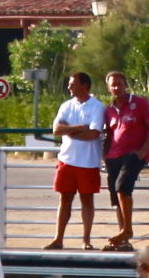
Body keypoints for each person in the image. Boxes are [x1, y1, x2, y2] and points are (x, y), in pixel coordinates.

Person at [44, 72, 105, 251]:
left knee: (87, 200)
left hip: (88, 161)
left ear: (84, 85)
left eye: (73, 84)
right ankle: (58, 239)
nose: (69, 87)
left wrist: (68, 130)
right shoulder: (66, 106)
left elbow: (93, 134)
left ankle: (86, 239)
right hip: (66, 160)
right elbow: (57, 129)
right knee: (65, 199)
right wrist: (78, 128)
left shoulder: (97, 107)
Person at [102, 70, 149, 251]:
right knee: (116, 196)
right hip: (113, 156)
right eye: (113, 85)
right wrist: (105, 156)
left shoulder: (140, 103)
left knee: (122, 187)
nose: (117, 88)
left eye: (120, 84)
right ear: (108, 88)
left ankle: (127, 230)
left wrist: (143, 152)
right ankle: (123, 238)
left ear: (126, 85)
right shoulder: (108, 110)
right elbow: (109, 134)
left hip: (133, 154)